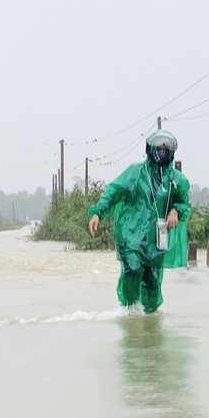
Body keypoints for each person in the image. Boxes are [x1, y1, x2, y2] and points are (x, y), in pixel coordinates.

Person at [87, 129, 191, 313]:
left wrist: (175, 211)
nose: (163, 151)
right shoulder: (134, 174)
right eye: (159, 147)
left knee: (152, 281)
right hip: (130, 235)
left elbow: (184, 204)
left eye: (167, 148)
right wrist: (97, 213)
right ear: (150, 149)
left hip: (156, 239)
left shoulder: (176, 180)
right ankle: (128, 312)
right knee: (133, 269)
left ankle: (150, 324)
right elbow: (113, 193)